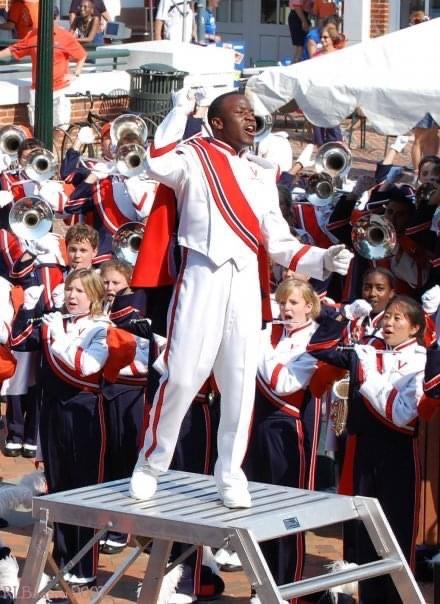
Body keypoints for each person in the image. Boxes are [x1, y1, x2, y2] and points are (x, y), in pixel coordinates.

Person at [128, 91, 353, 508]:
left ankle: (230, 473)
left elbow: (277, 238)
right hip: (203, 273)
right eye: (241, 113)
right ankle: (152, 462)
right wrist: (180, 111)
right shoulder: (192, 156)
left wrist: (322, 258)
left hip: (248, 280)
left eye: (252, 113)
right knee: (181, 374)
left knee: (240, 383)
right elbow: (156, 160)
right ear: (215, 122)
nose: (251, 119)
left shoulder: (260, 173)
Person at [308, 295, 427, 603]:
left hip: (398, 453)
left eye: (398, 318)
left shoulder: (420, 359)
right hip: (364, 451)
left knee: (397, 533)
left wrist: (367, 371)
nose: (388, 322)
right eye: (386, 316)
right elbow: (319, 349)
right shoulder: (367, 351)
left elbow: (403, 415)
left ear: (415, 328)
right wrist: (342, 316)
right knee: (366, 536)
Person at [11, 269, 110, 586]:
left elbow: (86, 367)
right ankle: (65, 557)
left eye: (80, 290)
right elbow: (17, 343)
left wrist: (59, 337)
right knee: (59, 486)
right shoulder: (56, 322)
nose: (72, 295)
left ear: (94, 296)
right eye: (70, 289)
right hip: (54, 410)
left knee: (85, 489)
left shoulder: (102, 328)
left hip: (84, 412)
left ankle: (85, 567)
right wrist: (28, 311)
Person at [245, 278, 322, 597]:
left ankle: (287, 587)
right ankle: (259, 586)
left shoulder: (315, 339)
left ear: (309, 305)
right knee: (256, 507)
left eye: (293, 302)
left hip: (288, 426)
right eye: (282, 302)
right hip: (257, 423)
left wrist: (260, 347)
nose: (286, 308)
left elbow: (283, 382)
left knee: (287, 506)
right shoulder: (269, 333)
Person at [0, 7, 87, 128]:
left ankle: (55, 148)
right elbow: (14, 49)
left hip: (59, 89)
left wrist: (76, 74)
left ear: (55, 18)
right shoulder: (33, 36)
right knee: (37, 128)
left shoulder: (65, 36)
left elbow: (82, 55)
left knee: (61, 128)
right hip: (38, 91)